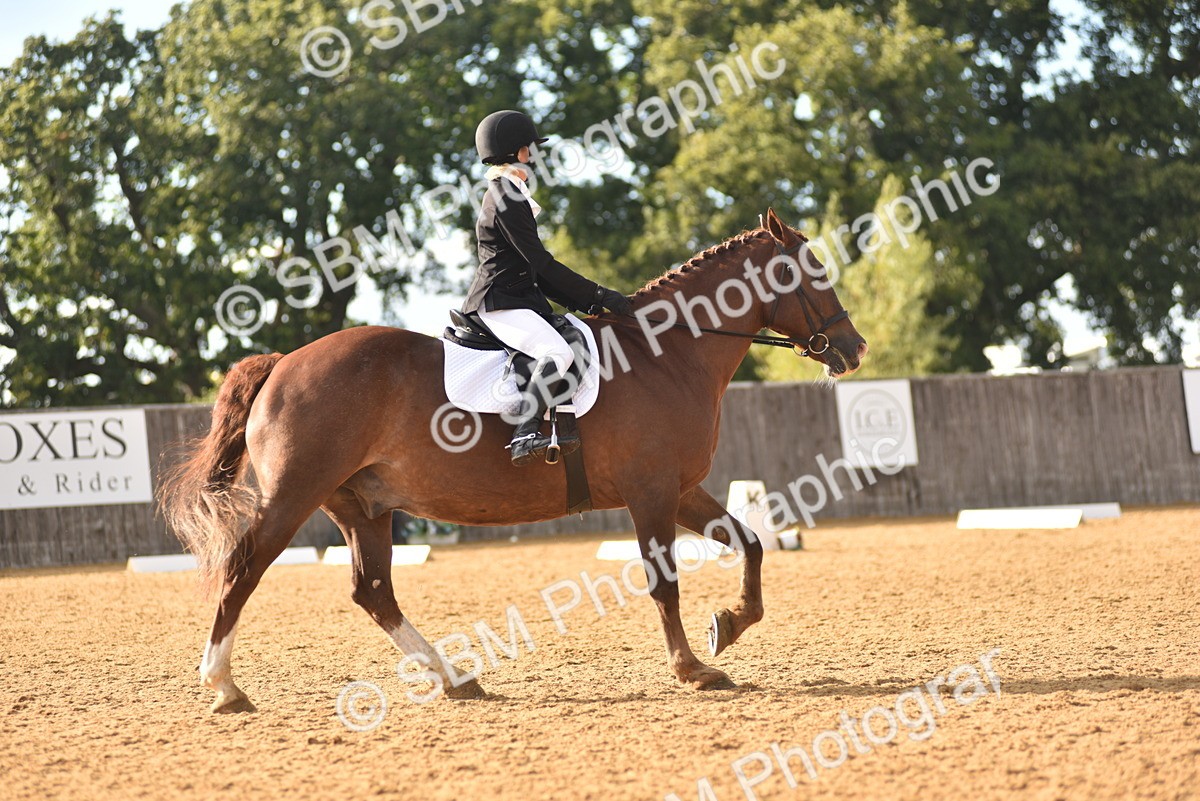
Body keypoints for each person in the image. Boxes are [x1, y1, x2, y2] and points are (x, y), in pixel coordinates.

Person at [462, 109, 633, 466]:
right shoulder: (504, 194)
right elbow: (540, 262)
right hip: (499, 302)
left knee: (570, 338)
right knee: (557, 353)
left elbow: (536, 273)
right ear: (518, 151)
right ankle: (524, 432)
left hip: (518, 298)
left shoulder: (510, 191)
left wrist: (589, 304)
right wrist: (597, 294)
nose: (534, 155)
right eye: (530, 148)